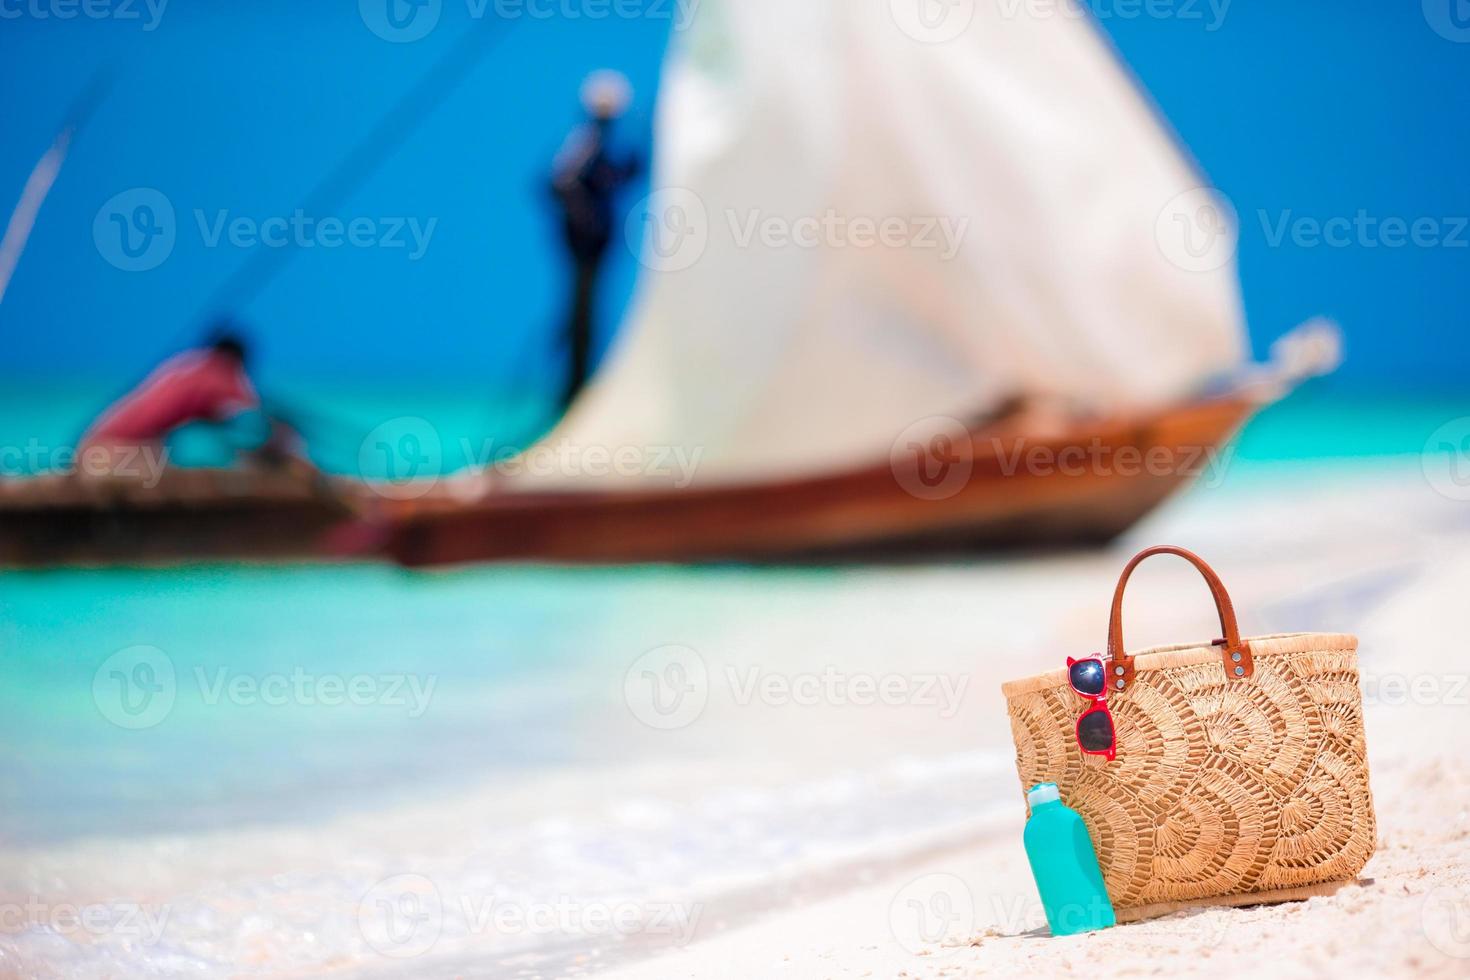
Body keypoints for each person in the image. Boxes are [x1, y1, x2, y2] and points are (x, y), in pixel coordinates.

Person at [549, 70, 641, 410]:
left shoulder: (601, 145)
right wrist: (584, 219)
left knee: (585, 316)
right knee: (580, 318)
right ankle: (572, 392)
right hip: (583, 246)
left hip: (595, 245)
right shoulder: (585, 141)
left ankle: (579, 387)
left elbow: (612, 178)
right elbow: (559, 183)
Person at [80, 327, 264, 477]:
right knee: (196, 478)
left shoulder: (182, 366)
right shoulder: (221, 371)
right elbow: (252, 421)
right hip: (114, 457)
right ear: (236, 360)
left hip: (92, 451)